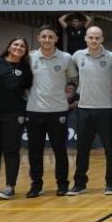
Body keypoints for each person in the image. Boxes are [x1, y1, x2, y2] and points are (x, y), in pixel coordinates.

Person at [24, 25, 78, 198]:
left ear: (56, 39)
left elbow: (73, 80)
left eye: (50, 36)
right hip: (34, 110)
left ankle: (62, 184)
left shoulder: (66, 58)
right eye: (44, 36)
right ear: (39, 38)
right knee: (34, 151)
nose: (47, 40)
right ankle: (36, 185)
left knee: (60, 150)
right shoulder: (30, 57)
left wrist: (70, 95)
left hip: (58, 111)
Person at [70, 26, 112, 195]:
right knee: (82, 149)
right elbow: (71, 74)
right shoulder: (77, 56)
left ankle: (111, 183)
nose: (94, 40)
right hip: (84, 108)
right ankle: (80, 184)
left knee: (110, 149)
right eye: (91, 37)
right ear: (85, 38)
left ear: (102, 39)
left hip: (107, 108)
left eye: (97, 38)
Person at [0, 38, 32, 200]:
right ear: (9, 47)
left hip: (14, 114)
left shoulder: (26, 68)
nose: (19, 47)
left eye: (22, 46)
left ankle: (10, 186)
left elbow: (28, 88)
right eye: (15, 44)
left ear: (25, 51)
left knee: (11, 150)